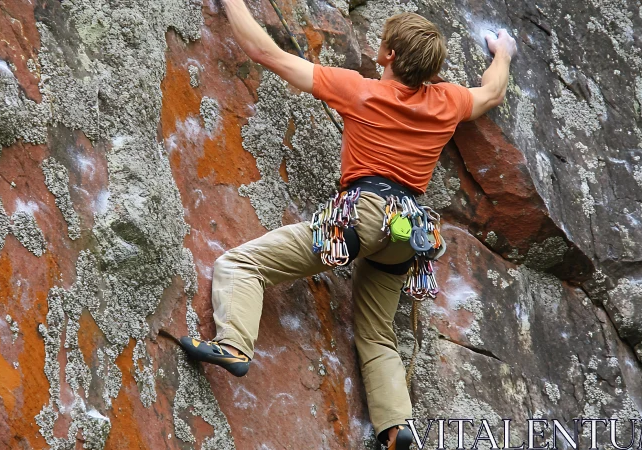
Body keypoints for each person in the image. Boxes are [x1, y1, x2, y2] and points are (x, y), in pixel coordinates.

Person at [179, 0, 517, 447]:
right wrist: (503, 52)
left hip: (363, 215)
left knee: (242, 266)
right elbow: (492, 93)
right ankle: (396, 427)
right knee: (377, 335)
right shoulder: (448, 101)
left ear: (389, 54)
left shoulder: (359, 91)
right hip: (409, 233)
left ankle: (233, 345)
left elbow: (266, 53)